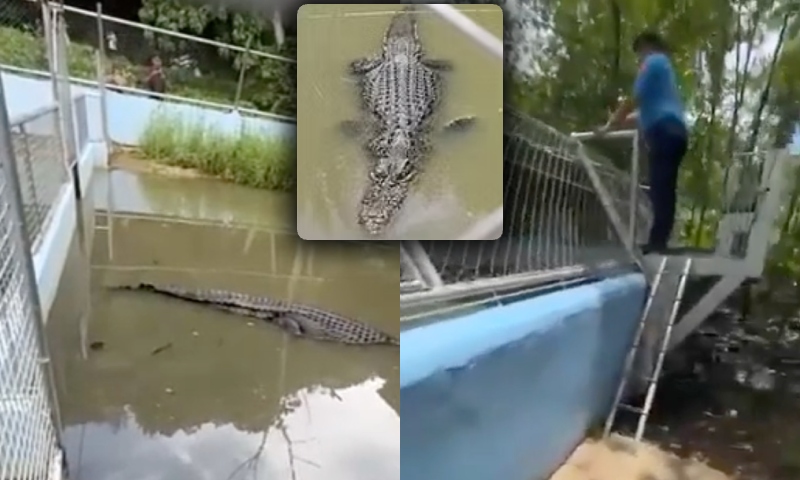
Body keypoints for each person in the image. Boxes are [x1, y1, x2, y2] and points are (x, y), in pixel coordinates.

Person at [595, 31, 689, 255]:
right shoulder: (665, 72)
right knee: (663, 188)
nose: (638, 58)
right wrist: (617, 122)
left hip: (665, 132)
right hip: (674, 131)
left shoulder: (653, 62)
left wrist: (609, 126)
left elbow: (633, 100)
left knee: (660, 189)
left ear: (646, 47)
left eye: (638, 52)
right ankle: (659, 241)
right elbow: (642, 113)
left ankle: (658, 244)